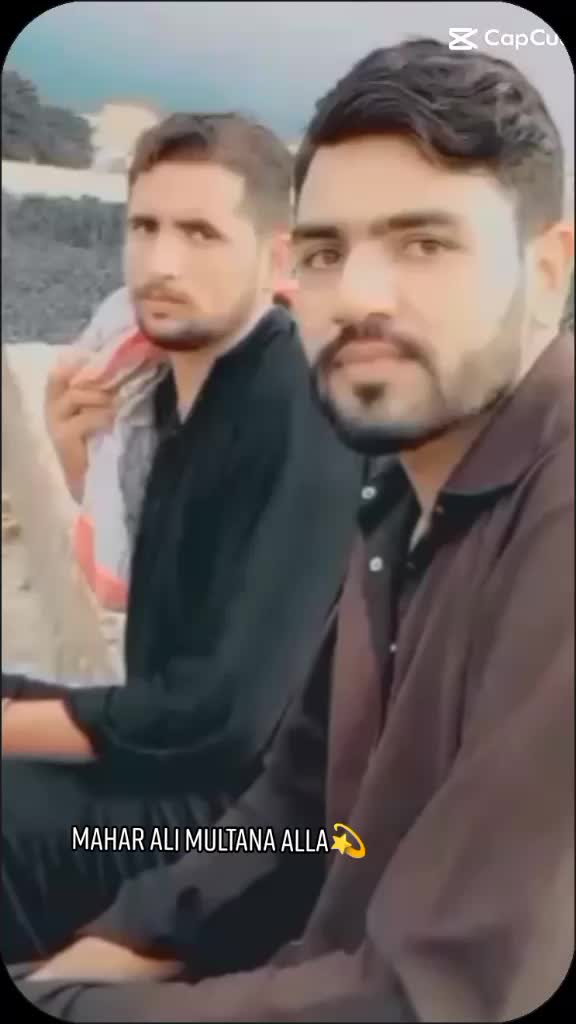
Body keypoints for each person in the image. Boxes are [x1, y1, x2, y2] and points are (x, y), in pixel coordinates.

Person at [11, 37, 574, 1021]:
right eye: (326, 253)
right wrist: (117, 946)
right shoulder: (398, 490)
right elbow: (294, 812)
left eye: (425, 244)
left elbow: (441, 995)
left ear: (549, 266)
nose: (357, 296)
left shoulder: (550, 520)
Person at [1, 113, 363, 964]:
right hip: (178, 779)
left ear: (277, 259)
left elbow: (224, 720)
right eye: (145, 226)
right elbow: (156, 650)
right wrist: (76, 457)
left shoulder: (296, 410)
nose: (161, 262)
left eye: (201, 233)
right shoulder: (167, 397)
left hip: (263, 835)